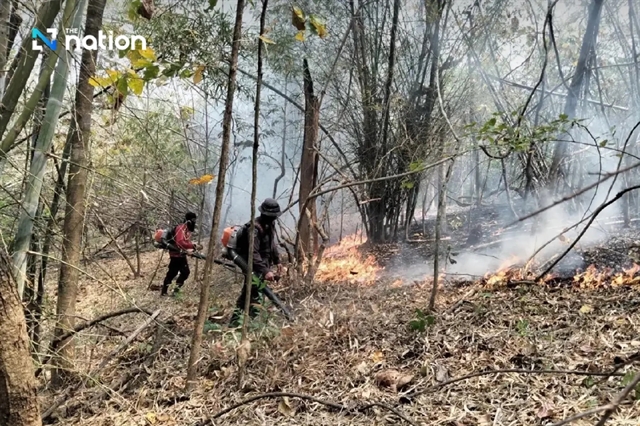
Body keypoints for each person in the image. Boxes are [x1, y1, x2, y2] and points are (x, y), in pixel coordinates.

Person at [229, 198, 283, 326]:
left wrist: (277, 260)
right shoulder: (254, 229)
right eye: (272, 216)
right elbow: (253, 253)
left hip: (261, 264)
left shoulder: (269, 225)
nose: (274, 218)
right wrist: (265, 270)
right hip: (252, 265)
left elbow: (271, 244)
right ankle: (241, 324)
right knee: (254, 295)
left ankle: (242, 323)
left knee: (251, 293)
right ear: (265, 214)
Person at [161, 212, 201, 296]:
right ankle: (166, 292)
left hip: (181, 254)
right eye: (193, 220)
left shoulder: (186, 230)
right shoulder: (181, 228)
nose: (194, 222)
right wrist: (192, 246)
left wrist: (192, 248)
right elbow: (180, 242)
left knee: (183, 272)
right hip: (175, 255)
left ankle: (174, 291)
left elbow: (186, 242)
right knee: (174, 273)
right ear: (189, 220)